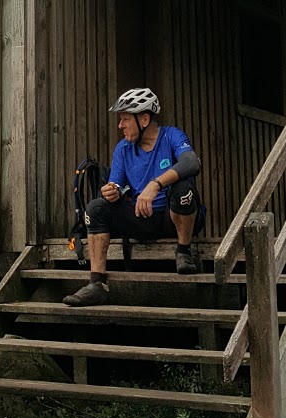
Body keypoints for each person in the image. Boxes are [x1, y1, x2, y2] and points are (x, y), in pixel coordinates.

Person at [63, 87, 205, 306]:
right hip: (143, 218)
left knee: (183, 186)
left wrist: (155, 184)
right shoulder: (123, 148)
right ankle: (97, 284)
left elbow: (192, 162)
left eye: (125, 120)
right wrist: (112, 191)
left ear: (145, 119)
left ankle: (183, 252)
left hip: (174, 218)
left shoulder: (171, 136)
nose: (120, 126)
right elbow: (117, 184)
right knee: (96, 208)